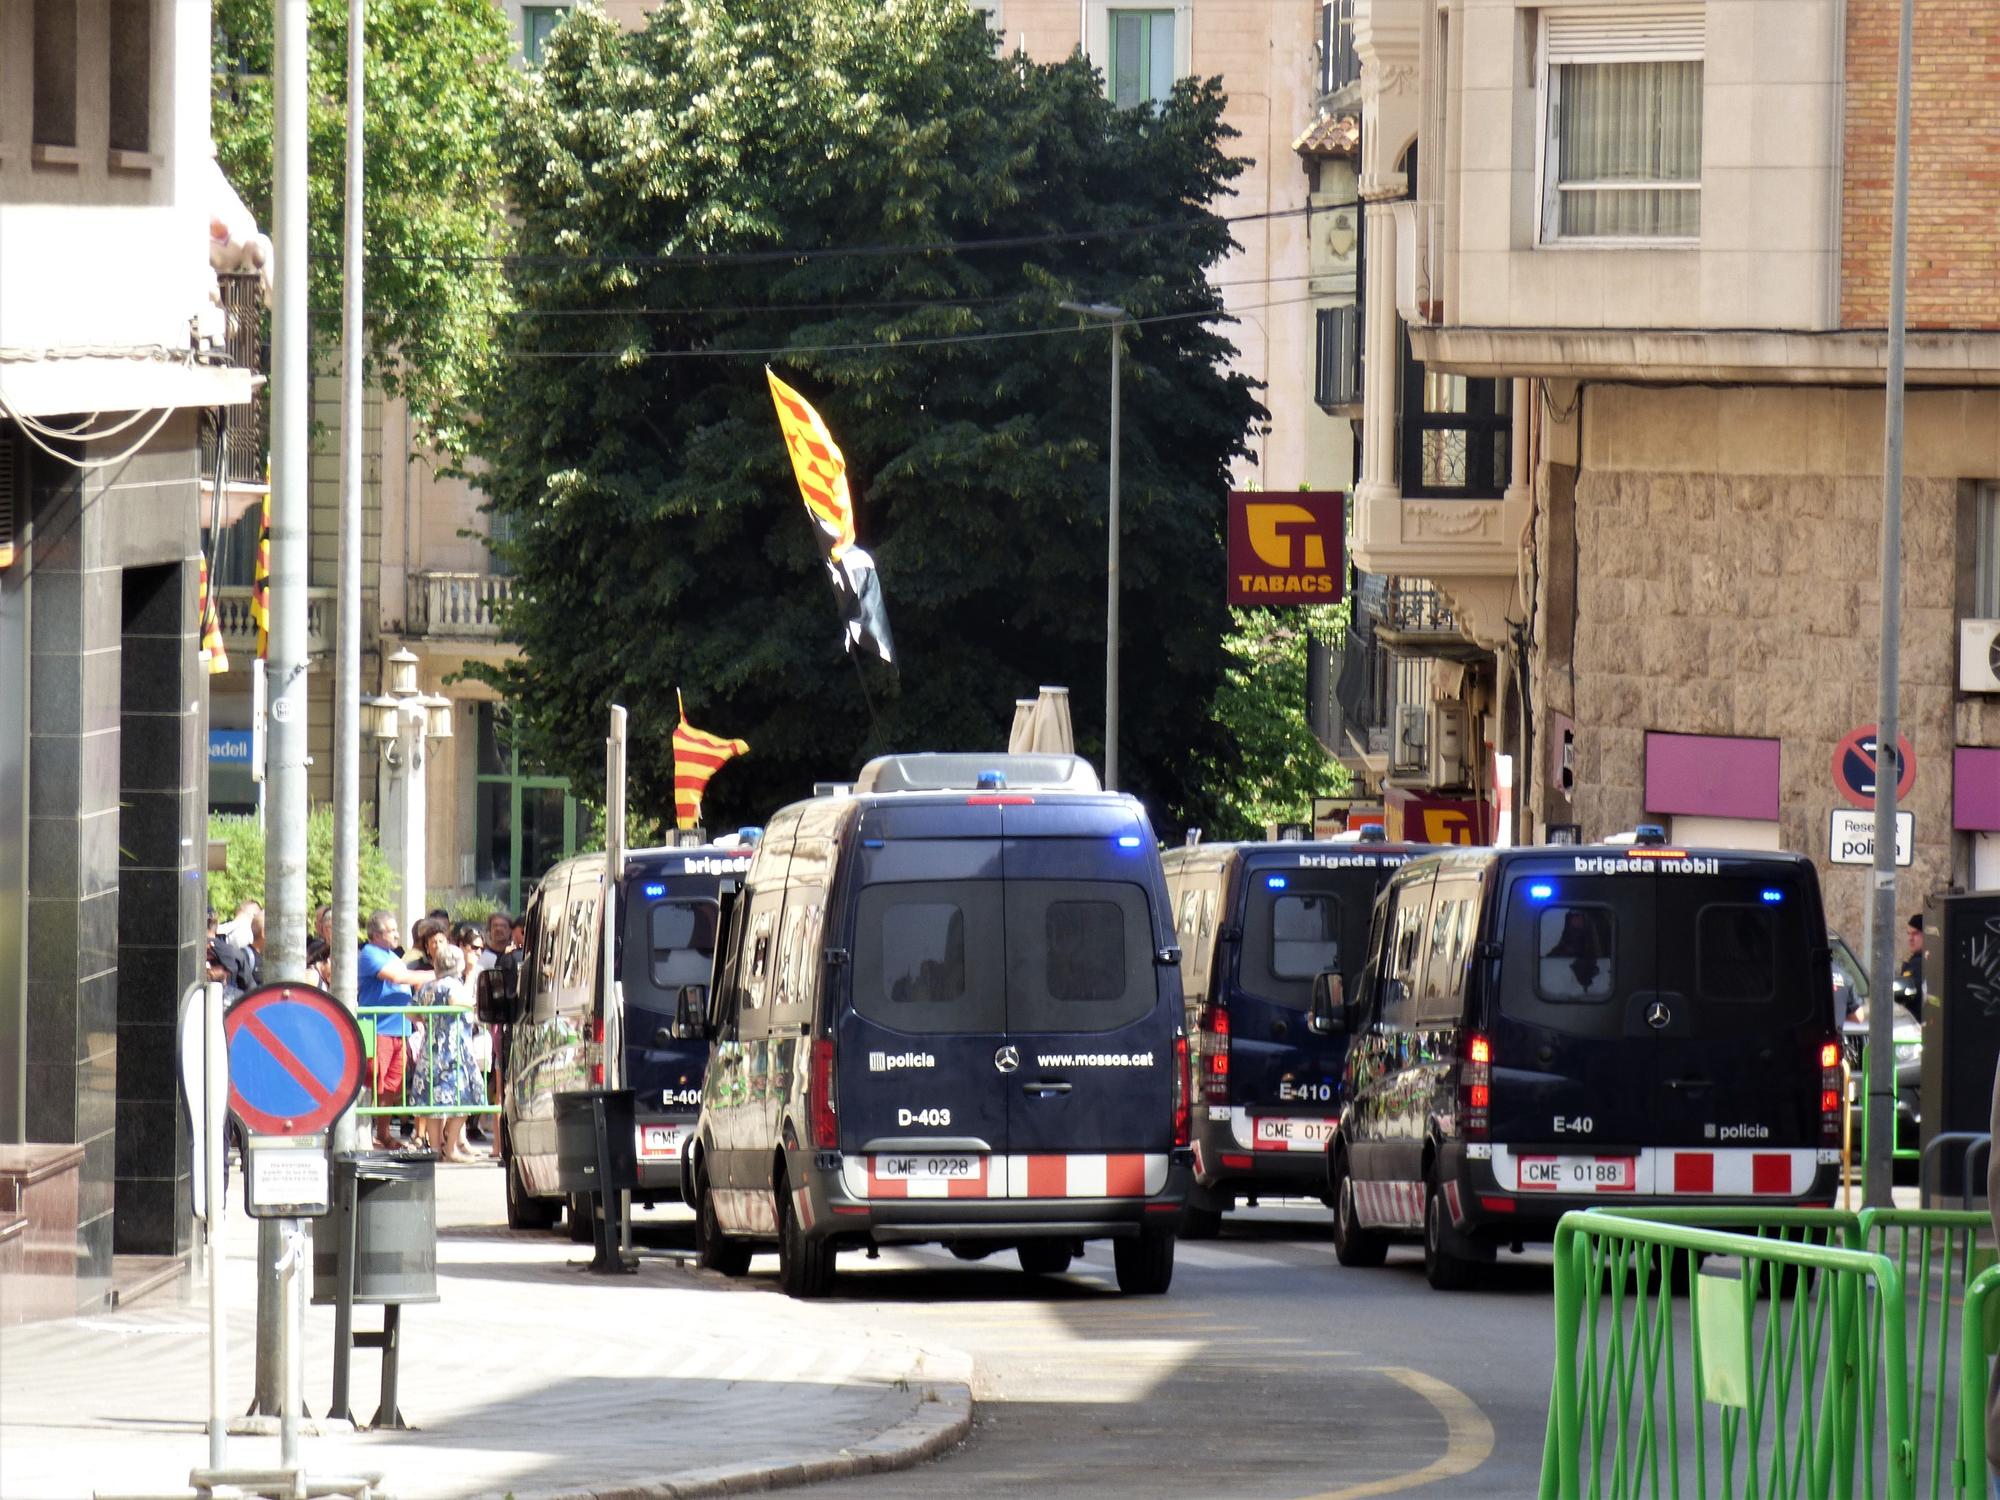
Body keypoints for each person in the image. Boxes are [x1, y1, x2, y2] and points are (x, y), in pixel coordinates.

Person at [359, 911, 428, 1150]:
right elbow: (398, 978)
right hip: (377, 1028)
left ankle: (383, 1133)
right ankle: (364, 1135)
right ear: (377, 934)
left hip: (399, 1029)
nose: (397, 934)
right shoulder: (370, 954)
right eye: (392, 930)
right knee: (373, 1082)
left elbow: (406, 987)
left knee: (392, 1085)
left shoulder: (392, 955)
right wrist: (437, 973)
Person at [410, 941, 484, 1162]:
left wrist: (429, 1019)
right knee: (465, 1098)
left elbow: (411, 1014)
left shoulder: (428, 986)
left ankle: (435, 1149)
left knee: (434, 1103)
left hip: (430, 1049)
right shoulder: (453, 986)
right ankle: (450, 1147)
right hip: (454, 1050)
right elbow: (460, 1002)